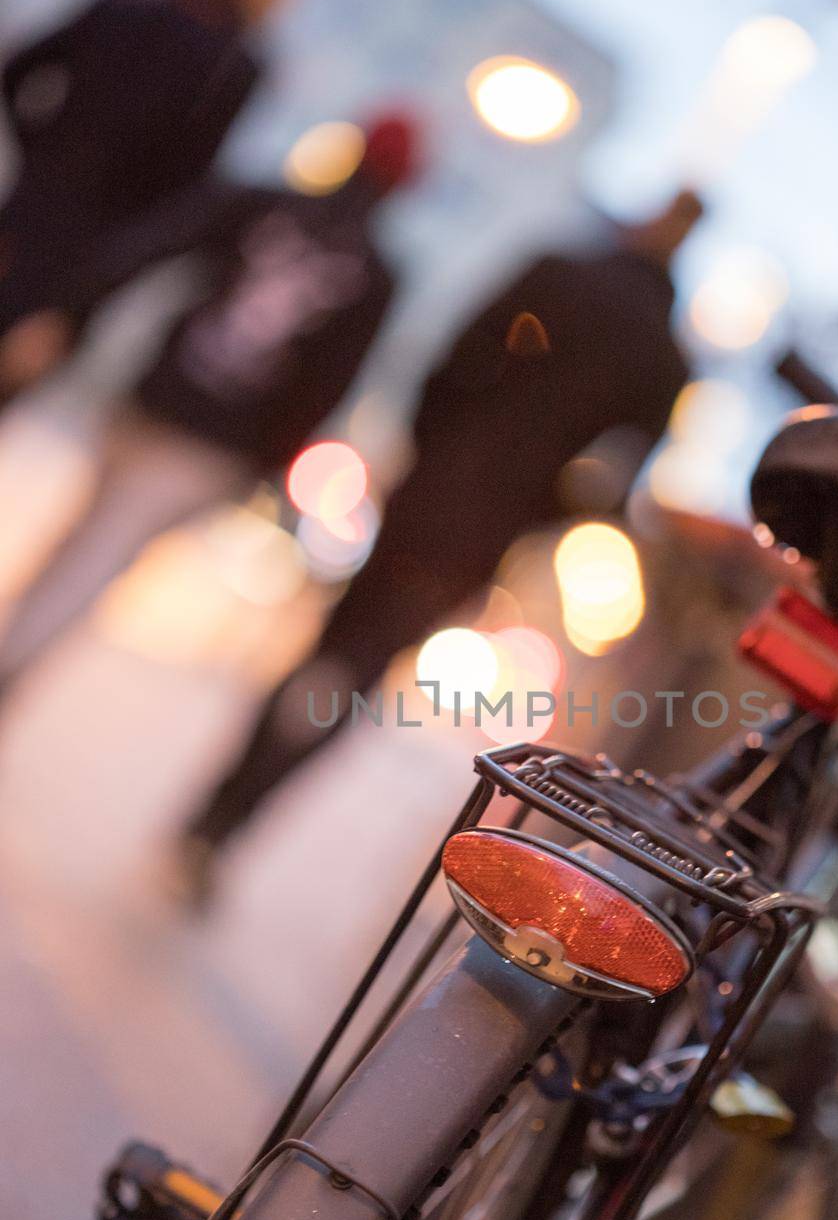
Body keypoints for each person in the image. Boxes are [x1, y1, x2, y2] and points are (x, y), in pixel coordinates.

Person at [178, 189, 703, 889]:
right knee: (360, 668)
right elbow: (612, 481)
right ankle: (235, 814)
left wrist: (431, 449)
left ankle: (224, 802)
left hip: (429, 492)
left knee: (334, 647)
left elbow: (453, 358)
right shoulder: (663, 359)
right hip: (487, 531)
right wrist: (541, 504)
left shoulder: (557, 274)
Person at [0, 112, 423, 691]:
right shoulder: (378, 275)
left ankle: (15, 653)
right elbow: (329, 385)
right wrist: (265, 463)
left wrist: (70, 313)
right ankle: (12, 665)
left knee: (86, 540)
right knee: (101, 554)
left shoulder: (268, 202)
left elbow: (151, 245)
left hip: (159, 398)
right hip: (215, 445)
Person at [0, 0, 304, 397]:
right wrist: (72, 309)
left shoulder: (124, 4)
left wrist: (36, 154)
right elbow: (177, 197)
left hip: (21, 219)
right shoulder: (233, 69)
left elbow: (19, 72)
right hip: (85, 265)